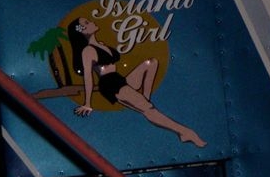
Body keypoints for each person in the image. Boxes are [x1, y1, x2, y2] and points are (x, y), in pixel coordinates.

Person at [67, 17, 206, 147]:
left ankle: (145, 101)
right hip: (110, 84)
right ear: (82, 31)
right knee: (148, 109)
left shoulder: (101, 44)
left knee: (151, 63)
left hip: (119, 79)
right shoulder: (88, 51)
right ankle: (185, 132)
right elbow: (88, 77)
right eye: (86, 23)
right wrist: (87, 103)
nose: (91, 22)